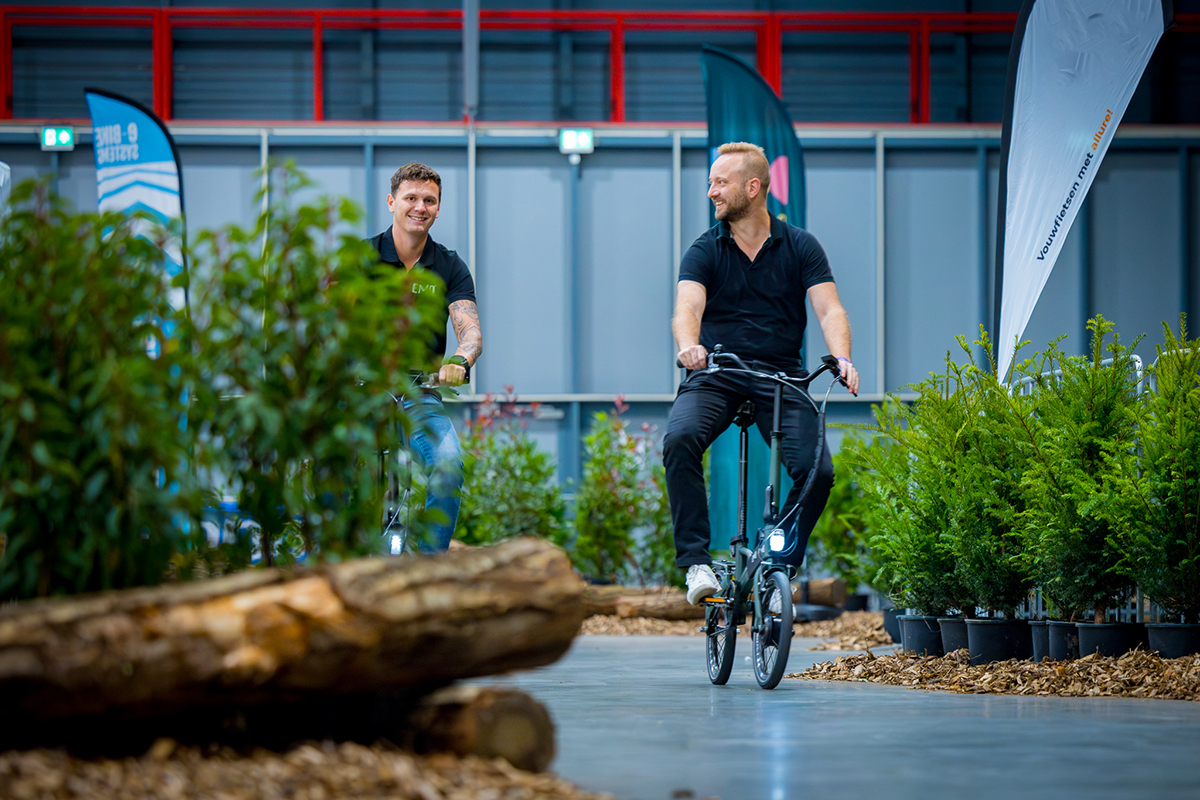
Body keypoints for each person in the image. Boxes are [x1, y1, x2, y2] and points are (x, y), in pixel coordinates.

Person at [663, 141, 860, 605]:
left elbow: (830, 309)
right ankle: (696, 562)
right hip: (718, 371)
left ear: (753, 188)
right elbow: (686, 307)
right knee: (678, 440)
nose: (710, 191)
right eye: (710, 182)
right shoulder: (704, 249)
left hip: (782, 377)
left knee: (818, 470)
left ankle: (779, 565)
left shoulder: (801, 246)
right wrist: (689, 346)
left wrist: (843, 357)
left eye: (720, 182)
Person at [368, 162, 482, 550]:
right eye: (411, 198)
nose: (420, 207)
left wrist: (460, 361)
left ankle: (429, 572)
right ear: (391, 202)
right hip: (360, 391)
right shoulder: (360, 260)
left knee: (448, 465)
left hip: (420, 391)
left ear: (438, 208)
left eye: (429, 200)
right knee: (339, 470)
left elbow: (470, 331)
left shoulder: (449, 265)